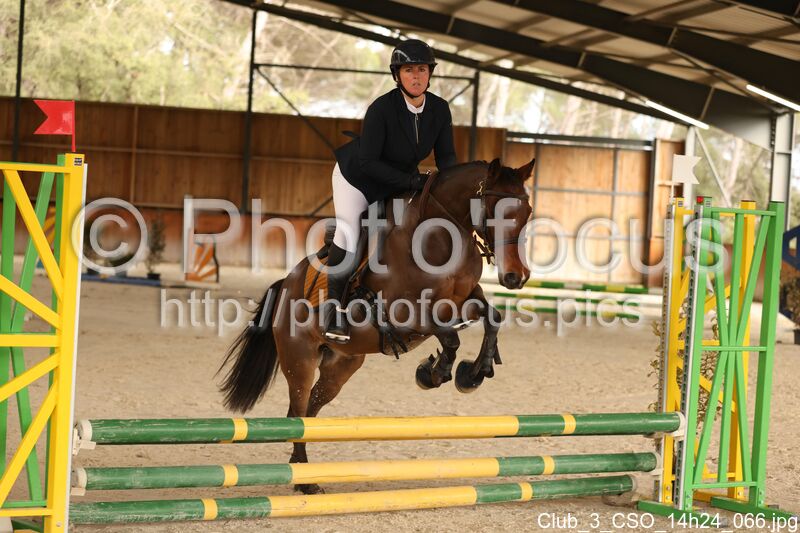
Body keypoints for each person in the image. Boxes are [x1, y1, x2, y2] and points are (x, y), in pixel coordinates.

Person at [324, 39, 458, 343]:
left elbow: (447, 157)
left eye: (421, 69)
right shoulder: (382, 108)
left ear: (430, 73)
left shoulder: (439, 109)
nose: (416, 76)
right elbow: (368, 162)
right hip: (357, 178)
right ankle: (334, 311)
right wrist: (412, 181)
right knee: (350, 230)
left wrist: (451, 187)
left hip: (398, 180)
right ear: (397, 75)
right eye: (408, 70)